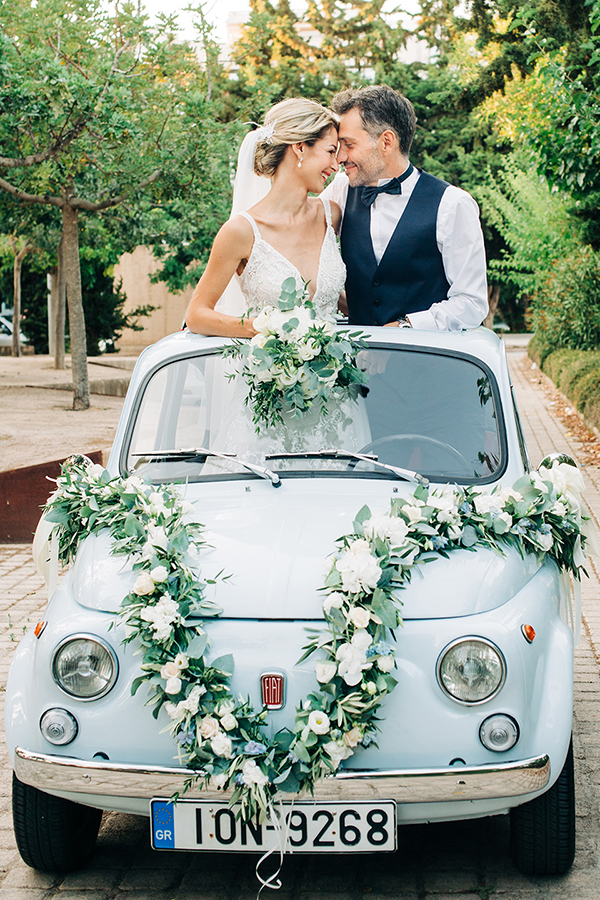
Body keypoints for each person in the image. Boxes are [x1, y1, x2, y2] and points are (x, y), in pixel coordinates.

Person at [322, 85, 488, 330]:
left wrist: (405, 326)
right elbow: (295, 229)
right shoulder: (340, 190)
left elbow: (472, 303)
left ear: (386, 142)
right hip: (355, 363)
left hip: (423, 361)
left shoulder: (452, 204)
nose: (339, 158)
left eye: (348, 144)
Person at [185, 98, 346, 336]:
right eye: (331, 151)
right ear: (300, 147)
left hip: (337, 368)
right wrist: (266, 329)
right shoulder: (240, 232)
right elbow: (197, 315)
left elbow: (330, 297)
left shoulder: (330, 215)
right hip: (271, 370)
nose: (336, 165)